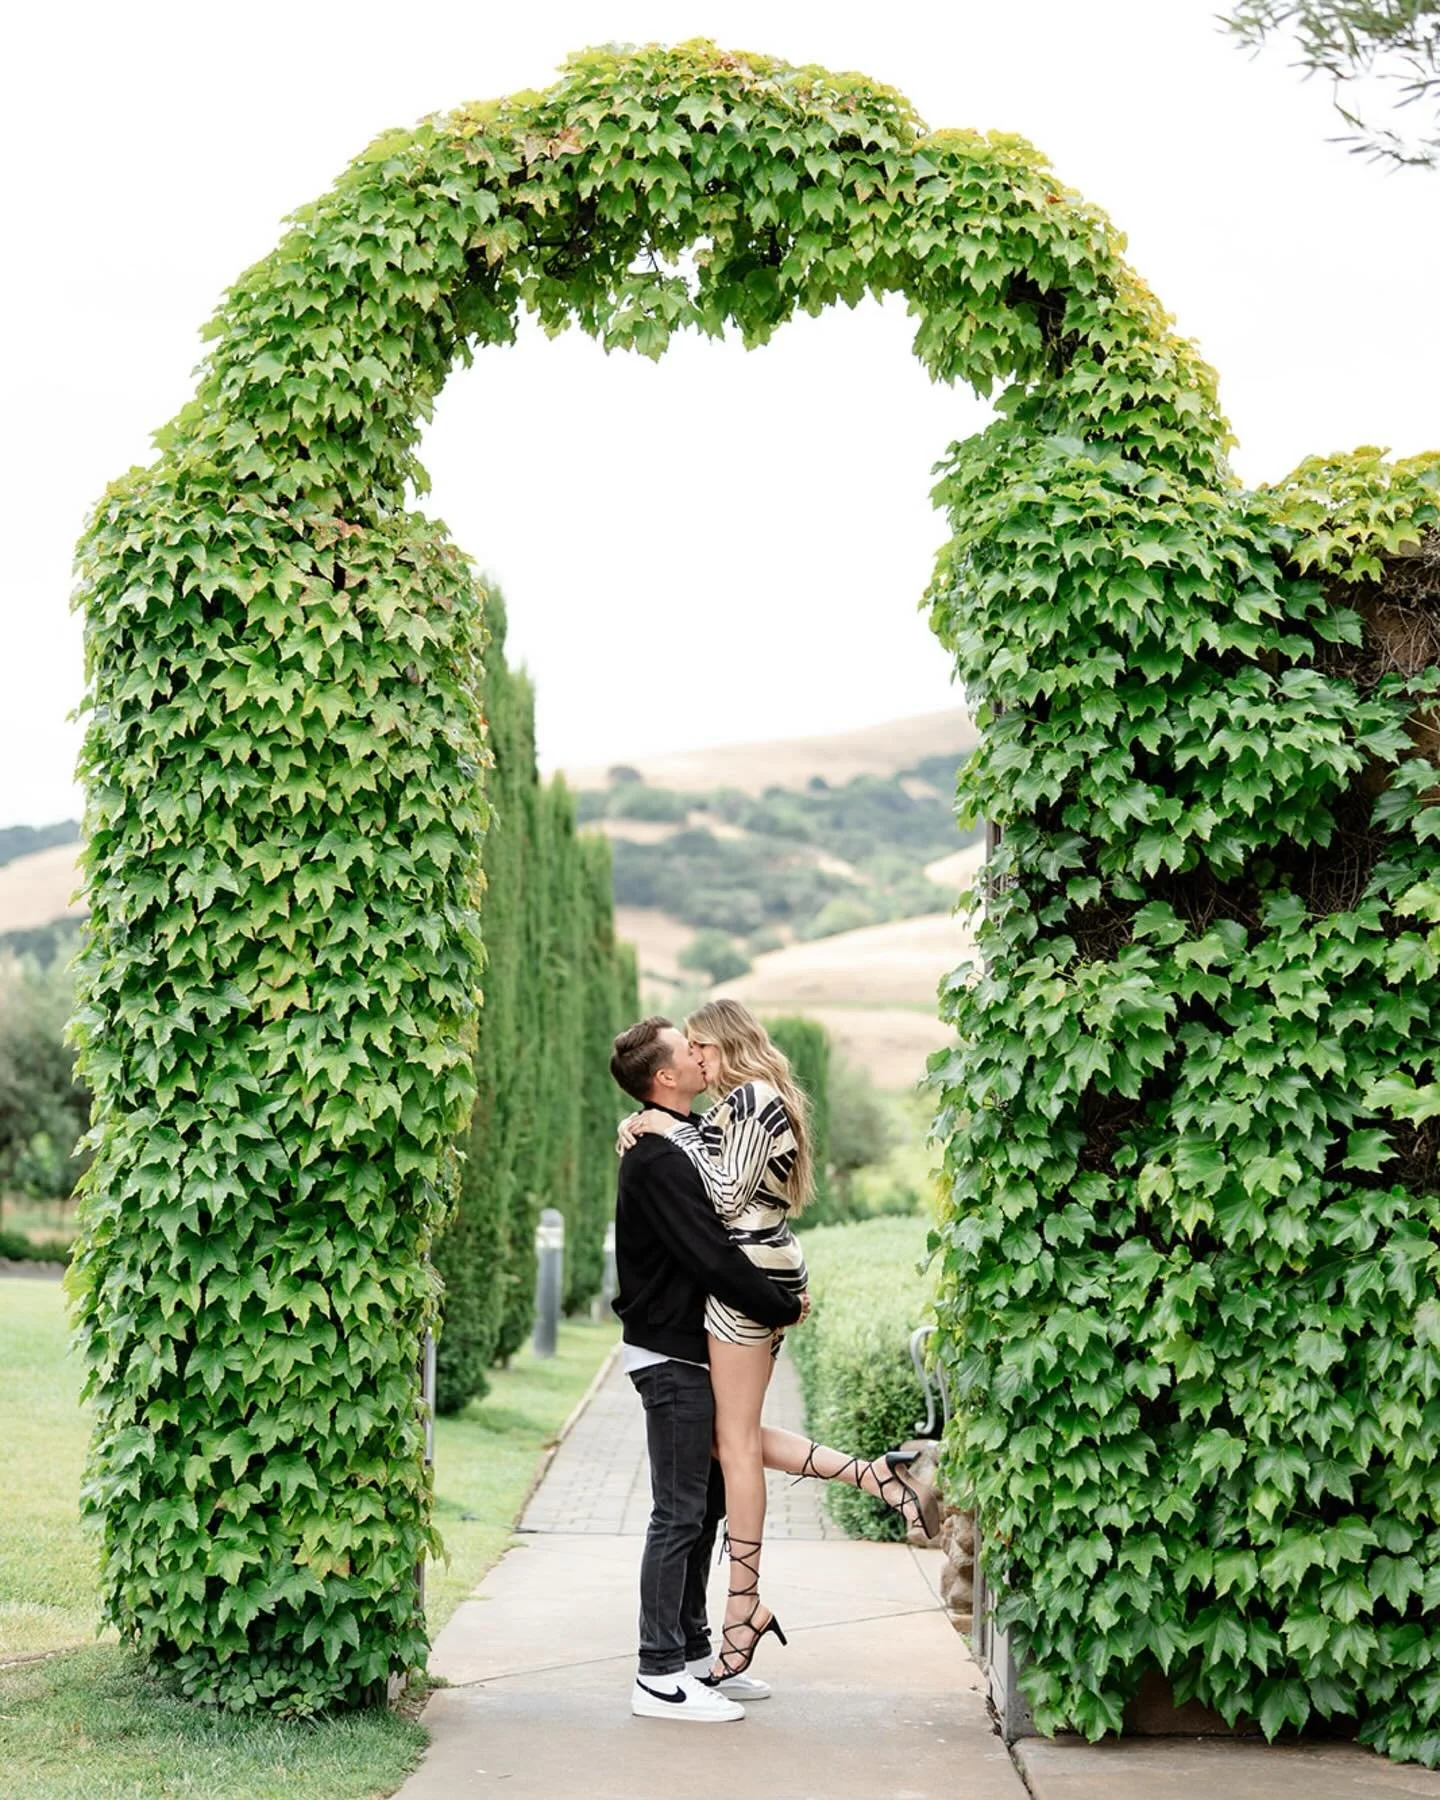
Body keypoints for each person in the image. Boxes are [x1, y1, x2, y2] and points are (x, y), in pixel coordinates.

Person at [618, 999, 941, 1690]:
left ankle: (741, 1612)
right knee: (726, 1438)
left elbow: (727, 1199)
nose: (697, 1059)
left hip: (749, 1276)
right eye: (689, 1050)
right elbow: (720, 1169)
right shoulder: (740, 1105)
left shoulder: (754, 1098)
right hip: (759, 1272)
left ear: (726, 1045)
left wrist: (666, 1135)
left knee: (731, 1447)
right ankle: (875, 1478)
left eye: (702, 1046)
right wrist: (665, 1130)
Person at [610, 1015, 808, 1724]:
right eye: (684, 1051)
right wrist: (779, 1303)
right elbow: (710, 1254)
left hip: (689, 1347)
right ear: (665, 1077)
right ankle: (658, 1674)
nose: (698, 1056)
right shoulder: (657, 1156)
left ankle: (693, 1657)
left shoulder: (675, 1139)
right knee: (678, 1512)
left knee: (703, 1508)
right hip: (668, 1353)